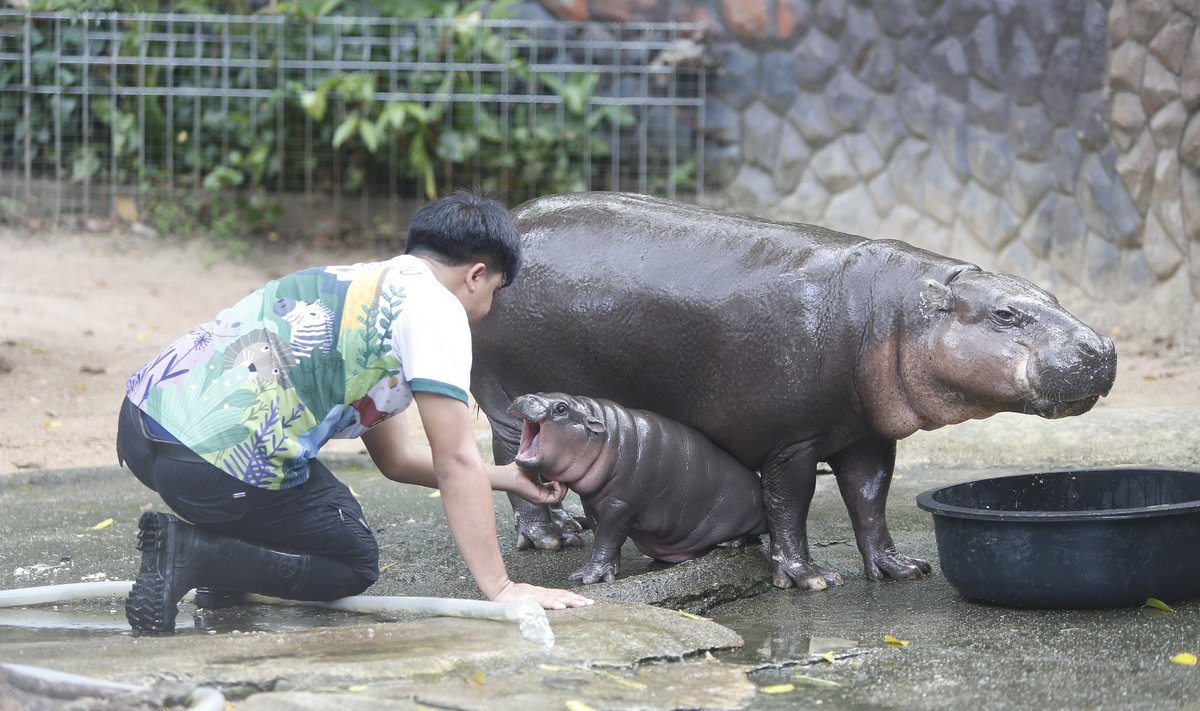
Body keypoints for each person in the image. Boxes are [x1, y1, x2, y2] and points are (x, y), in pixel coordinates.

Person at [116, 190, 593, 634]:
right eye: (495, 290)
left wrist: (508, 476)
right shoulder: (438, 311)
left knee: (296, 495)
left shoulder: (364, 285)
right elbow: (455, 462)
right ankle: (194, 555)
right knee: (352, 557)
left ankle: (220, 566)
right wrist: (502, 589)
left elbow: (398, 460)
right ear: (475, 274)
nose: (488, 308)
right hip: (212, 464)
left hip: (142, 430)